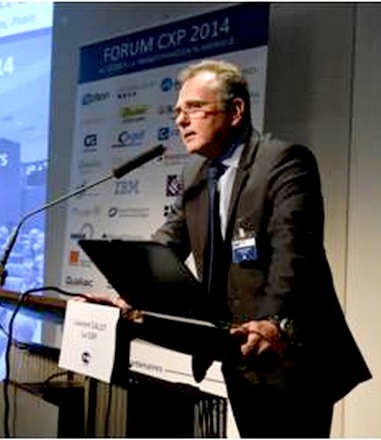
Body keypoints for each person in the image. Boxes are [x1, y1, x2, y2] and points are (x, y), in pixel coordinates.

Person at [115, 59, 371, 437]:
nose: (181, 120)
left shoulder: (283, 161)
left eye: (194, 108)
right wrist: (130, 290)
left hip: (291, 356)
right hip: (237, 354)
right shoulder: (194, 173)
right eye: (178, 112)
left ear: (236, 111)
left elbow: (292, 253)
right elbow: (168, 241)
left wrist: (271, 323)